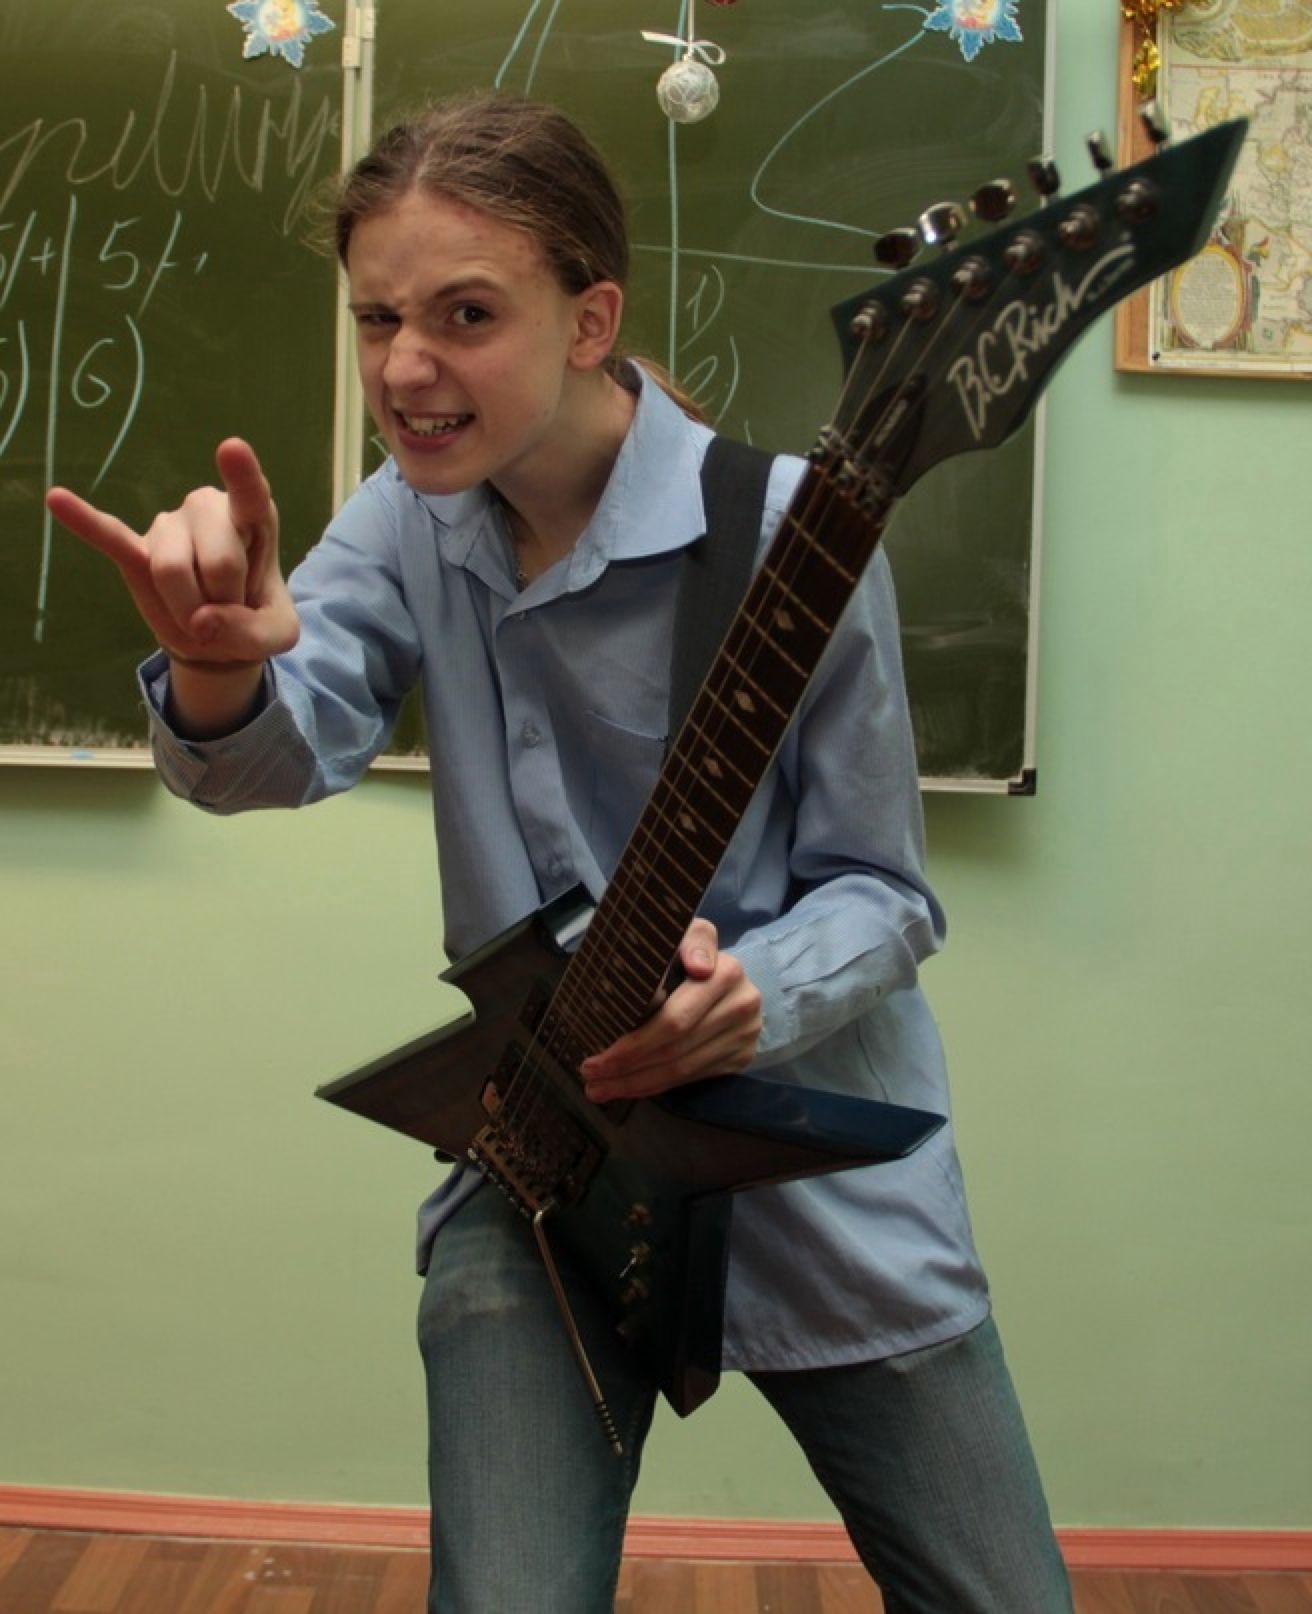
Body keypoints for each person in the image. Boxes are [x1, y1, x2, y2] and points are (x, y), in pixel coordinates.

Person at [46, 92, 1073, 1614]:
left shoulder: (793, 529)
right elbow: (278, 749)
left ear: (591, 319)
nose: (406, 367)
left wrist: (756, 994)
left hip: (821, 1174)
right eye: (378, 317)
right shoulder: (407, 522)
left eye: (466, 314)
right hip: (544, 1163)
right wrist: (211, 665)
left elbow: (887, 891)